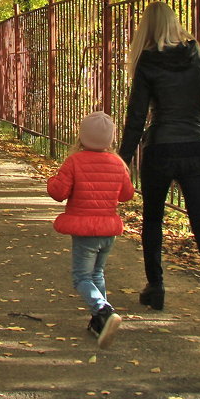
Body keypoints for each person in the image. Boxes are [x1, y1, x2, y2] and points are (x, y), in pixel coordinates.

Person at [119, 1, 200, 334]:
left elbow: (137, 116)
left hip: (161, 147)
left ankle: (156, 288)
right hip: (196, 148)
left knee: (152, 219)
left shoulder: (148, 62)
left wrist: (122, 159)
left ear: (148, 28)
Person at [48, 111, 135, 348]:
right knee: (97, 274)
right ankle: (100, 321)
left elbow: (58, 192)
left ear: (82, 137)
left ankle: (103, 309)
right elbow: (127, 194)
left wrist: (52, 181)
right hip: (108, 230)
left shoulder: (75, 162)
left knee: (81, 277)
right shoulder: (118, 163)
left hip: (85, 231)